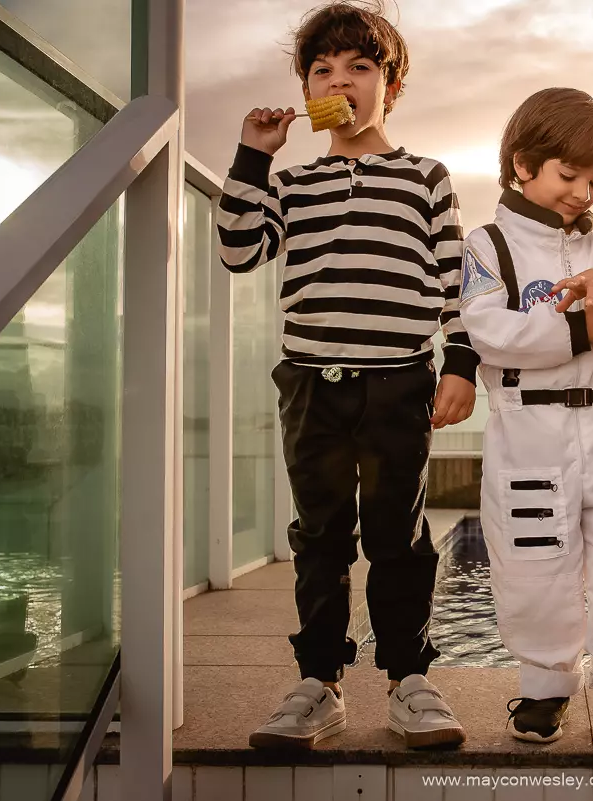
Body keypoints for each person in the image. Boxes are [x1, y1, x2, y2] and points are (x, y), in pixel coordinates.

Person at [216, 1, 478, 750]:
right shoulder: (292, 185)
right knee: (321, 536)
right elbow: (238, 250)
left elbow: (451, 279)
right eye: (322, 70)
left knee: (398, 535)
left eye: (359, 67)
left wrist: (459, 362)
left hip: (399, 382)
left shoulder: (426, 177)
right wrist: (252, 155)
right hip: (311, 384)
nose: (341, 80)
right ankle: (319, 681)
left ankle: (409, 678)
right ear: (306, 93)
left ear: (389, 86)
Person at [459, 87, 593, 748]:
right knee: (534, 554)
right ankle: (545, 684)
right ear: (524, 164)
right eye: (568, 174)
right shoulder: (488, 245)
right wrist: (580, 330)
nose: (582, 191)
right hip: (528, 427)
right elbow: (488, 330)